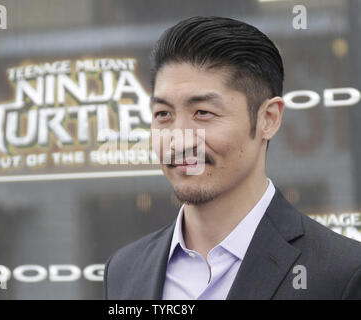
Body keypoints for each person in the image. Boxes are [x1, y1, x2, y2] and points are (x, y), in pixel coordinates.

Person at [104, 16, 361, 299]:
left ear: (268, 119)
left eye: (203, 113)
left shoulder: (341, 274)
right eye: (163, 115)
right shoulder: (124, 269)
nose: (179, 139)